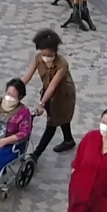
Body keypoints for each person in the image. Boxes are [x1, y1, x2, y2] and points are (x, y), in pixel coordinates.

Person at [23, 28, 77, 156]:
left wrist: (41, 103)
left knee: (52, 123)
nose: (45, 57)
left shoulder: (62, 64)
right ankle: (69, 140)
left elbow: (53, 86)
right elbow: (27, 76)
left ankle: (36, 153)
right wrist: (14, 89)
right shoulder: (38, 58)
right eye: (43, 53)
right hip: (48, 91)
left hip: (63, 96)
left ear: (54, 51)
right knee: (62, 118)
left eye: (48, 55)